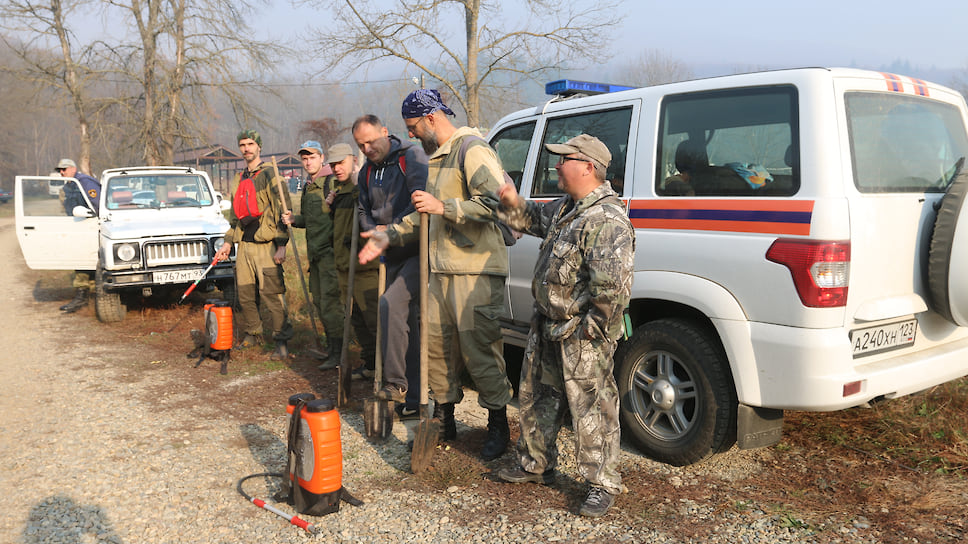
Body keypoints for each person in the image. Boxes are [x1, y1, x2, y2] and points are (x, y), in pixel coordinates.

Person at [359, 89, 513, 460]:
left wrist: (445, 206)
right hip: (441, 271)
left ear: (431, 119)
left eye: (413, 127)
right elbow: (423, 214)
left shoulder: (471, 150)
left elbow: (496, 204)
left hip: (474, 271)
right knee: (438, 351)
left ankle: (498, 423)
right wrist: (388, 235)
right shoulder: (436, 159)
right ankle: (445, 418)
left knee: (480, 352)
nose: (410, 135)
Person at [493, 134, 634, 518]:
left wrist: (590, 332)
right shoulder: (567, 208)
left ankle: (601, 482)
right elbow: (533, 220)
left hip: (581, 331)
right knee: (539, 397)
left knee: (592, 407)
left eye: (564, 159)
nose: (556, 165)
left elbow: (611, 292)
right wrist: (511, 203)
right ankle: (535, 463)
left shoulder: (606, 220)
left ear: (588, 167)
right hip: (548, 324)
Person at [353, 114, 427, 421]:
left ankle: (397, 384)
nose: (368, 148)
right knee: (399, 321)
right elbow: (362, 207)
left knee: (391, 305)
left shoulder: (410, 157)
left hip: (416, 250)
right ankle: (410, 396)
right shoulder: (367, 172)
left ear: (385, 132)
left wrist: (392, 229)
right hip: (388, 255)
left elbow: (420, 200)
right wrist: (374, 229)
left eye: (371, 140)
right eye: (361, 145)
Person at [214, 129, 294, 360]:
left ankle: (281, 340)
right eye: (242, 144)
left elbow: (283, 210)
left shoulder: (270, 175)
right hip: (244, 247)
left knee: (272, 293)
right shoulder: (239, 179)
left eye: (250, 144)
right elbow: (234, 217)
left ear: (259, 146)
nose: (247, 148)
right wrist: (228, 242)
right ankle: (253, 333)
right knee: (246, 295)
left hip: (266, 246)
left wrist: (282, 244)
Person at [280, 140, 344, 369]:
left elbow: (342, 216)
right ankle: (331, 350)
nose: (308, 162)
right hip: (315, 256)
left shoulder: (332, 182)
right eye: (304, 159)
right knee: (319, 302)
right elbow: (313, 220)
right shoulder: (309, 185)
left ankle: (339, 354)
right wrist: (294, 219)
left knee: (331, 305)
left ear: (322, 158)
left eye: (312, 157)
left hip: (330, 255)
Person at [321, 143, 379, 380]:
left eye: (340, 163)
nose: (336, 168)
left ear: (353, 159)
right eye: (333, 164)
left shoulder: (364, 186)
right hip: (345, 267)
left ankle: (391, 373)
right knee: (357, 321)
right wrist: (330, 206)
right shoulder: (340, 190)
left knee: (376, 322)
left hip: (366, 269)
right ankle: (371, 363)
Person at [56, 158, 101, 314]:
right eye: (59, 170)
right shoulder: (69, 185)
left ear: (73, 168)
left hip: (90, 227)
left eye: (64, 169)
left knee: (90, 261)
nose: (61, 172)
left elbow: (97, 204)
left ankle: (91, 297)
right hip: (77, 228)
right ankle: (84, 296)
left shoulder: (84, 182)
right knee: (81, 261)